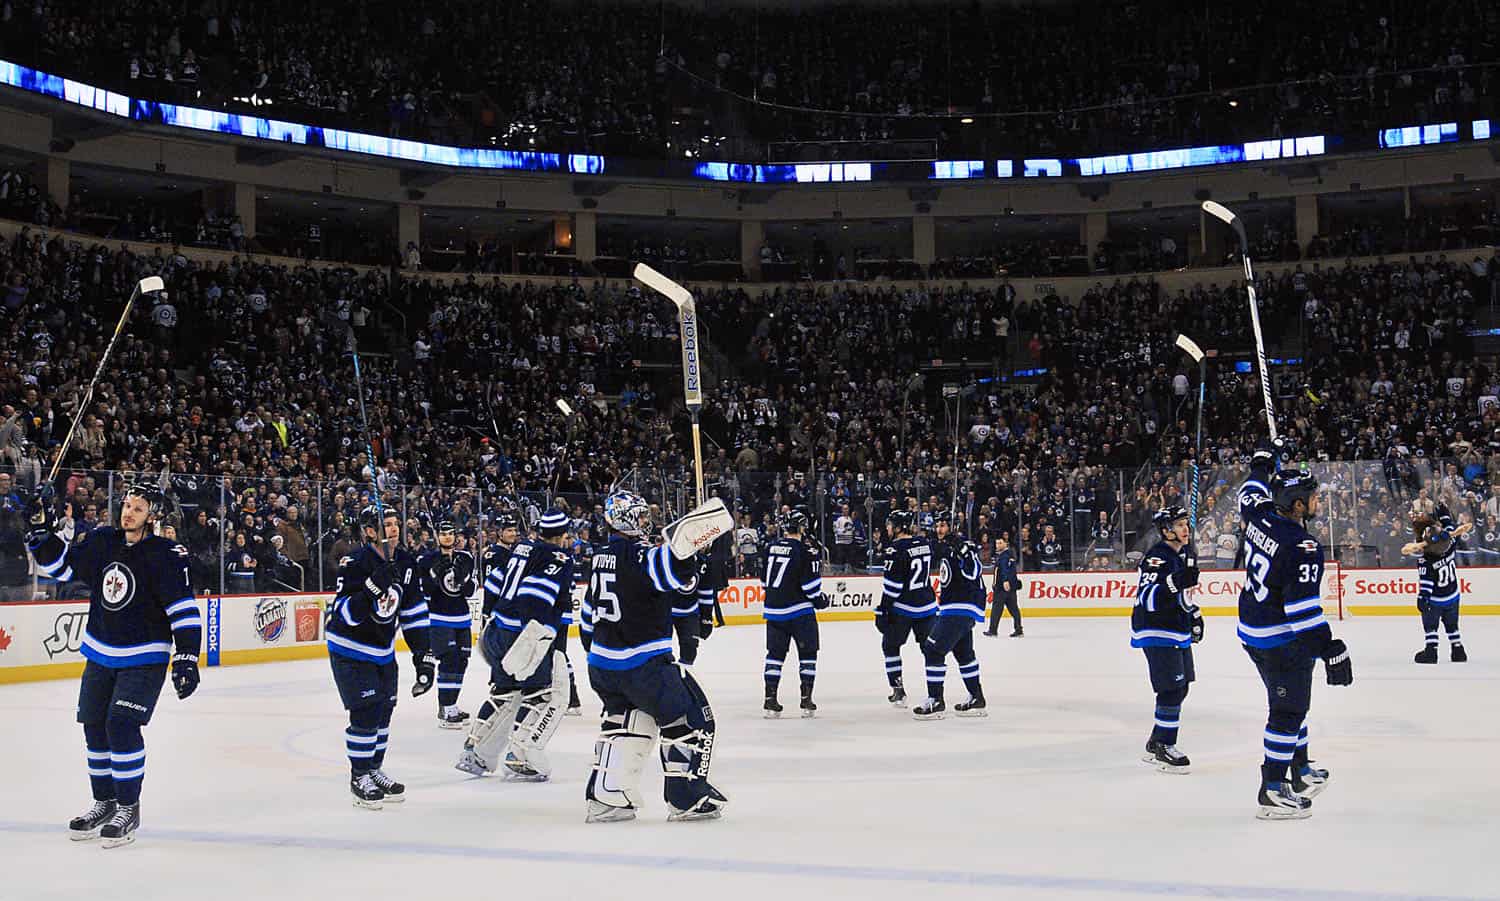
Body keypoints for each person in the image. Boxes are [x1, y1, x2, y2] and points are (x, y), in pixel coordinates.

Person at [27, 484, 201, 847]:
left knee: (121, 725)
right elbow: (60, 568)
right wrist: (41, 531)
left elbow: (183, 610)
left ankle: (127, 807)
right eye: (126, 505)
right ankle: (103, 802)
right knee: (94, 727)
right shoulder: (103, 540)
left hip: (145, 656)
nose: (128, 513)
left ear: (152, 514)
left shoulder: (167, 553)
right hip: (100, 651)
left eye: (138, 508)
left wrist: (186, 656)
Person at [580, 490, 728, 822]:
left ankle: (607, 796)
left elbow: (588, 616)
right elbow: (675, 575)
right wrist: (692, 550)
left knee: (625, 723)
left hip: (603, 664)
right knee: (691, 717)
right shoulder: (641, 555)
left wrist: (602, 654)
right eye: (642, 515)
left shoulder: (599, 556)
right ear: (627, 518)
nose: (647, 522)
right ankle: (685, 797)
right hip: (643, 662)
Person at [1237, 446, 1353, 820]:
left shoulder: (1259, 515)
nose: (1318, 500)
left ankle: (1299, 771)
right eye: (1313, 496)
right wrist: (1330, 647)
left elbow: (1249, 492)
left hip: (1252, 629)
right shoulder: (1302, 546)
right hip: (1280, 637)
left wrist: (1262, 464)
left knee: (1294, 705)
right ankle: (1272, 789)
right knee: (1288, 711)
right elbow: (1302, 613)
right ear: (1298, 505)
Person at [326, 504, 433, 810]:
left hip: (382, 651)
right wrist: (373, 587)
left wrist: (423, 656)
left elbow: (413, 613)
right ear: (370, 531)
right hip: (350, 649)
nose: (394, 528)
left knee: (384, 710)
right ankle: (359, 775)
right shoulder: (355, 562)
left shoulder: (406, 562)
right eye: (385, 524)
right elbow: (345, 614)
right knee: (366, 712)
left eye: (395, 522)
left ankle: (374, 768)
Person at [454, 510, 574, 780]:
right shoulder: (558, 558)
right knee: (547, 694)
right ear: (562, 534)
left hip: (497, 627)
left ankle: (476, 753)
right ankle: (521, 755)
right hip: (524, 635)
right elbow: (535, 596)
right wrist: (544, 640)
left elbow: (495, 585)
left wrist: (490, 622)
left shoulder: (521, 548)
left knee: (505, 692)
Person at [1130, 505, 1203, 773]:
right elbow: (1148, 598)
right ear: (1165, 530)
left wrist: (1194, 614)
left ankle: (1156, 741)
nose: (1185, 529)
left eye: (1186, 524)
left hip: (1175, 627)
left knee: (1181, 687)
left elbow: (1182, 597)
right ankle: (1164, 746)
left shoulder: (1183, 554)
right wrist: (1175, 581)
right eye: (1179, 524)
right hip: (1156, 628)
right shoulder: (1157, 558)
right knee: (1171, 689)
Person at [913, 514, 986, 719]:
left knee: (933, 650)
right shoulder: (944, 546)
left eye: (943, 525)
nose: (939, 529)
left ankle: (936, 700)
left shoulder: (965, 545)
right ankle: (977, 698)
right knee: (964, 655)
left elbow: (975, 571)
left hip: (960, 608)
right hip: (952, 608)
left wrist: (961, 549)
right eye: (937, 525)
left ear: (953, 526)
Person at [759, 509, 825, 718]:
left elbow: (764, 582)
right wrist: (821, 601)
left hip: (773, 611)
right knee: (808, 654)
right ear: (803, 528)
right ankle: (806, 700)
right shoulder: (807, 552)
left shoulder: (770, 547)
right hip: (800, 613)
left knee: (775, 656)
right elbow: (811, 588)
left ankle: (770, 700)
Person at [416, 517, 478, 728]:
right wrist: (435, 574)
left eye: (450, 533)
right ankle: (445, 708)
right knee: (449, 659)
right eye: (443, 534)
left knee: (462, 660)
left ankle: (451, 705)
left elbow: (470, 591)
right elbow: (425, 592)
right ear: (437, 536)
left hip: (462, 618)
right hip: (439, 619)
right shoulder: (426, 560)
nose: (447, 537)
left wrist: (463, 579)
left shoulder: (465, 558)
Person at [876, 508, 937, 706]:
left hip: (903, 608)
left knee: (890, 646)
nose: (887, 527)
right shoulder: (925, 544)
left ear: (899, 527)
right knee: (928, 650)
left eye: (890, 524)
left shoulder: (894, 550)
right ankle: (934, 693)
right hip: (927, 607)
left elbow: (893, 588)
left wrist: (883, 609)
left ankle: (898, 690)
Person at [1404, 515, 1471, 663]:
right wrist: (1446, 517)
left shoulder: (1425, 561)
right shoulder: (1450, 546)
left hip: (1435, 600)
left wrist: (1422, 598)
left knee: (1430, 625)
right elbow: (1452, 531)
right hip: (1453, 596)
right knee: (1452, 625)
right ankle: (1458, 649)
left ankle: (1431, 651)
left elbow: (1427, 584)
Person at [985, 534, 1021, 637]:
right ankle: (1018, 629)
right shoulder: (1009, 555)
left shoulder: (1004, 556)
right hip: (1009, 587)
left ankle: (992, 630)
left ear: (1006, 544)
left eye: (1000, 543)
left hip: (1002, 587)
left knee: (997, 609)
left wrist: (1005, 581)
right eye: (996, 543)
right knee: (1013, 609)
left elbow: (1004, 569)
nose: (997, 545)